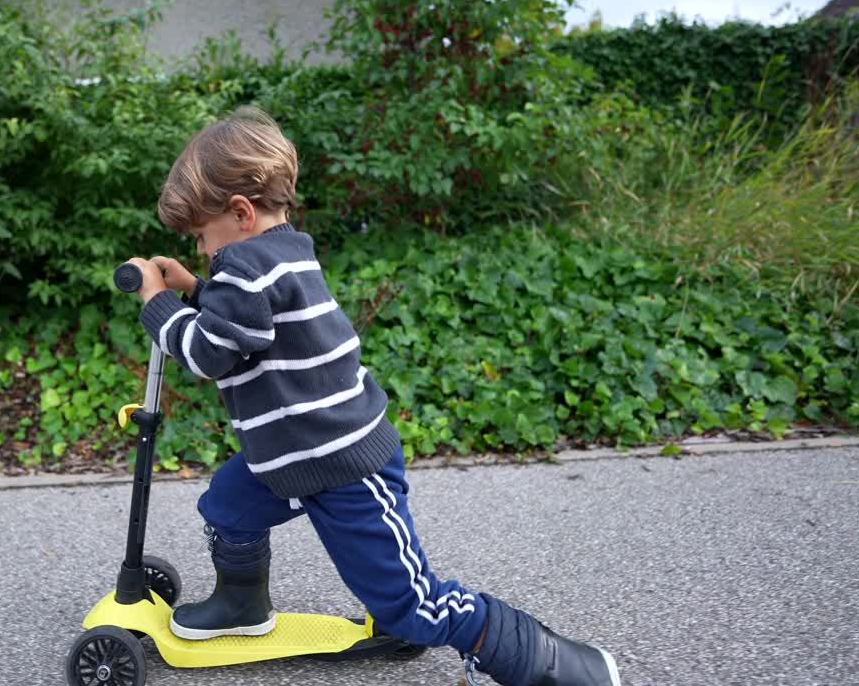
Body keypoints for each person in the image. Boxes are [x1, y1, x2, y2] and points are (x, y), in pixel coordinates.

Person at [124, 106, 620, 686]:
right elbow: (253, 320)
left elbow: (213, 351)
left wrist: (158, 305)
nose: (207, 251)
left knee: (416, 605)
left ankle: (559, 667)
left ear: (240, 212)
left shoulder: (247, 267)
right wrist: (198, 287)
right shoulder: (279, 252)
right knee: (228, 505)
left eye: (204, 239)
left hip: (341, 463)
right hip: (293, 453)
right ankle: (243, 607)